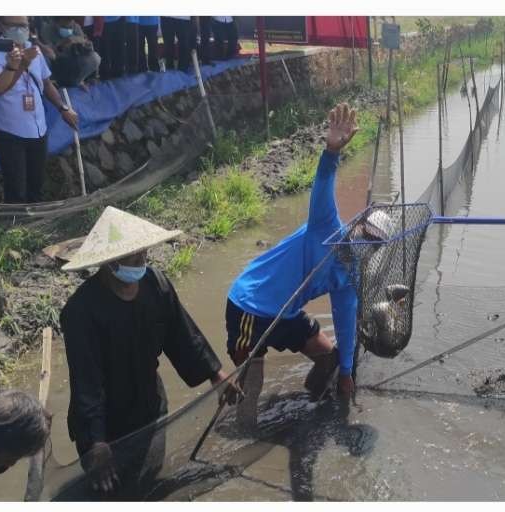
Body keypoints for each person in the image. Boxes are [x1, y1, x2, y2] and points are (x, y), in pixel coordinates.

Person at [59, 206, 241, 496]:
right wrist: (96, 441)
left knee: (147, 482)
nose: (141, 261)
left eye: (144, 254)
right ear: (110, 263)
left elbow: (184, 337)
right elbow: (86, 382)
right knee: (111, 492)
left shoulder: (156, 284)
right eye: (133, 257)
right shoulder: (81, 311)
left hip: (149, 405)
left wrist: (216, 375)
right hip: (105, 419)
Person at [226, 104, 360, 430]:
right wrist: (331, 151)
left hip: (286, 313)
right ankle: (244, 431)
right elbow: (324, 182)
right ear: (357, 228)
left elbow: (345, 322)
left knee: (330, 359)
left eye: (373, 244)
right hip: (251, 305)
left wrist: (345, 373)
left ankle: (310, 409)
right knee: (250, 386)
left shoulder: (350, 273)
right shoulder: (326, 226)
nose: (362, 243)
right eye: (363, 235)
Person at [0, 16, 79, 203]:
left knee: (35, 186)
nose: (20, 30)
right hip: (9, 129)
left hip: (38, 128)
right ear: (1, 26)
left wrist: (63, 108)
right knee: (16, 189)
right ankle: (15, 227)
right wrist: (21, 65)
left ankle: (35, 226)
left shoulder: (32, 49)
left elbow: (45, 82)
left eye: (24, 25)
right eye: (14, 26)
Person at [37, 17, 101, 89]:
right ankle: (55, 84)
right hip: (57, 65)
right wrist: (63, 44)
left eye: (70, 25)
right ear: (56, 22)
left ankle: (78, 81)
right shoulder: (47, 30)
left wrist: (84, 44)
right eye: (64, 26)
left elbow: (88, 49)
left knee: (95, 57)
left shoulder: (76, 27)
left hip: (74, 62)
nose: (68, 28)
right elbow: (50, 54)